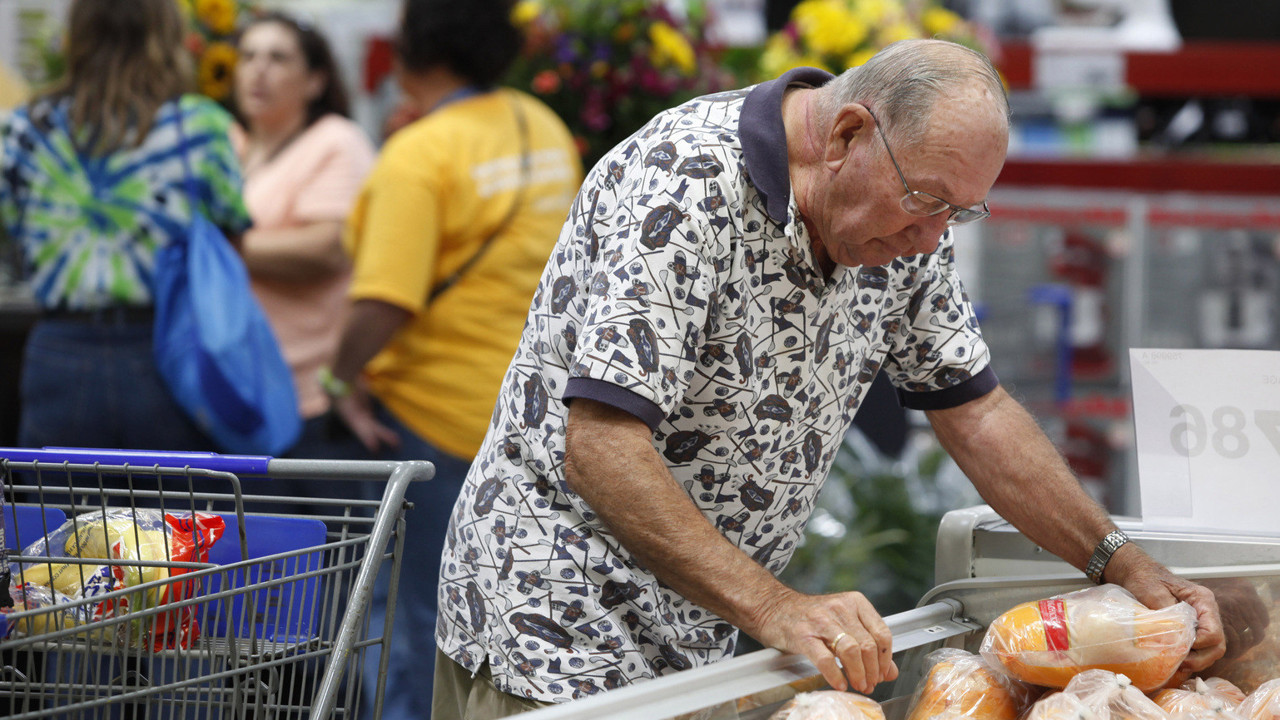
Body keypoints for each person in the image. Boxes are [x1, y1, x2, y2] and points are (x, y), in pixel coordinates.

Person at [432, 39, 1228, 717]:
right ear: (847, 134)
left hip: (699, 628)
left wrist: (1122, 563)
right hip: (555, 616)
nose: (931, 237)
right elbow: (601, 447)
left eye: (959, 213)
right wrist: (775, 606)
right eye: (925, 203)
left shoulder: (907, 212)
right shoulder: (685, 184)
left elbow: (975, 411)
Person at [322, 0, 583, 716]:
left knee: (407, 625)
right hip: (527, 418)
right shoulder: (540, 125)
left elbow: (384, 301)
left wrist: (338, 380)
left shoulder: (420, 154)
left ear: (414, 48)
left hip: (427, 420)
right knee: (491, 625)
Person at [0, 0, 250, 454]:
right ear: (167, 34)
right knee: (176, 499)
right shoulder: (198, 126)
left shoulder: (24, 128)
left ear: (78, 34)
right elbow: (231, 240)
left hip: (59, 347)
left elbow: (15, 231)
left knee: (55, 500)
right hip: (168, 349)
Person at [230, 12, 376, 458]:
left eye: (278, 58)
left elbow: (328, 248)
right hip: (239, 391)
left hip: (310, 395)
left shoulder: (336, 141)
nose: (258, 70)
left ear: (315, 81)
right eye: (248, 56)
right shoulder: (231, 143)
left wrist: (214, 249)